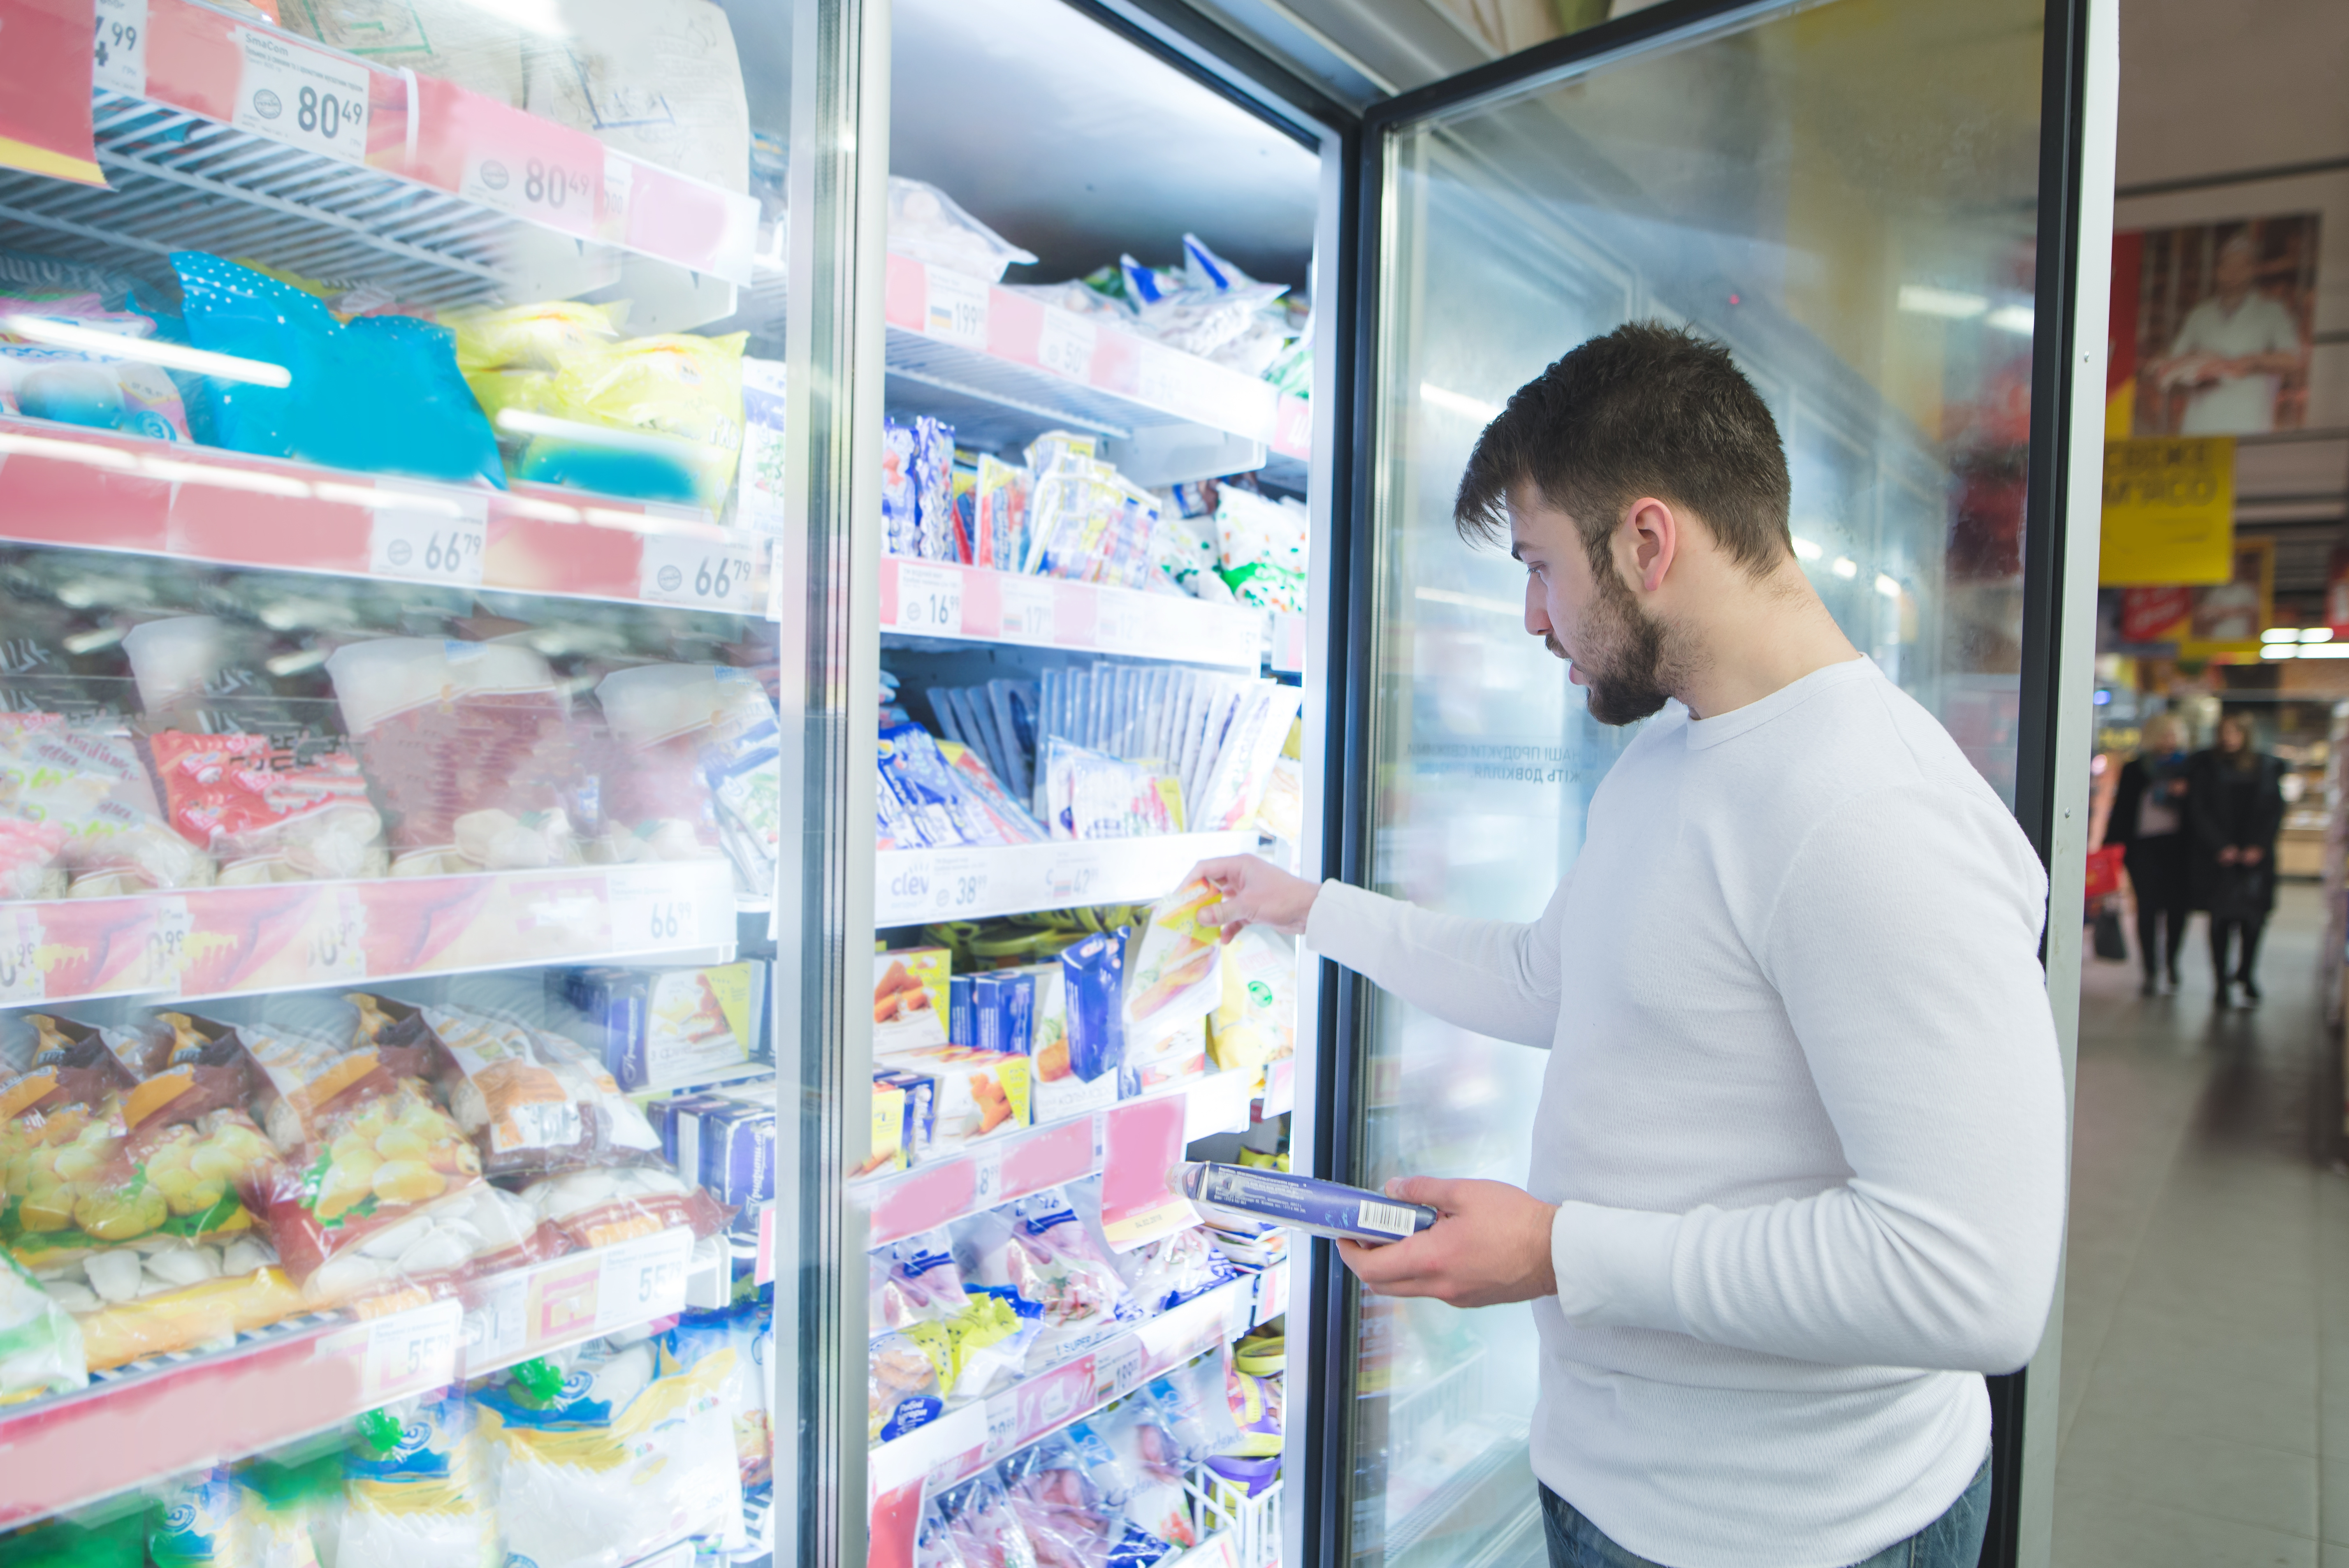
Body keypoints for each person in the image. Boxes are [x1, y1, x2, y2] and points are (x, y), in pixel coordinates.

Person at [1193, 323, 2066, 1568]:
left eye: (1542, 563)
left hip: (1797, 1534)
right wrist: (1306, 908)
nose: (1533, 617)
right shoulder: (1676, 747)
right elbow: (1552, 978)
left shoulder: (1870, 814)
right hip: (1617, 1483)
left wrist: (1556, 1249)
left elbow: (1969, 1279)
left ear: (1647, 541)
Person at [2151, 232, 2305, 435]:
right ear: (2218, 271)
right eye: (2228, 266)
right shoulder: (2200, 315)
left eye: (2241, 266)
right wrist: (2180, 369)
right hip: (2200, 423)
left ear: (2252, 270)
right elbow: (2174, 362)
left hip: (2249, 421)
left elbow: (2293, 360)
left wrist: (2252, 362)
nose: (2233, 273)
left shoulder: (2272, 312)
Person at [2187, 712, 2284, 1006]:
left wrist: (2259, 846)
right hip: (2218, 858)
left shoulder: (2265, 766)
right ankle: (2220, 982)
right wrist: (2220, 846)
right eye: (2223, 732)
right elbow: (2198, 809)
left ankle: (2245, 972)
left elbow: (2274, 810)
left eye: (2233, 732)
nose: (2227, 738)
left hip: (2256, 859)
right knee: (2219, 921)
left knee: (2253, 920)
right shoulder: (2206, 766)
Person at [2105, 713, 2194, 995]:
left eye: (2174, 733)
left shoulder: (2191, 769)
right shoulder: (2136, 768)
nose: (2170, 740)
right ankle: (2150, 970)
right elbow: (2122, 811)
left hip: (2180, 847)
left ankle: (2171, 963)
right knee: (2147, 907)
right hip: (2143, 847)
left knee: (2177, 909)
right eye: (2165, 734)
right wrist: (2111, 849)